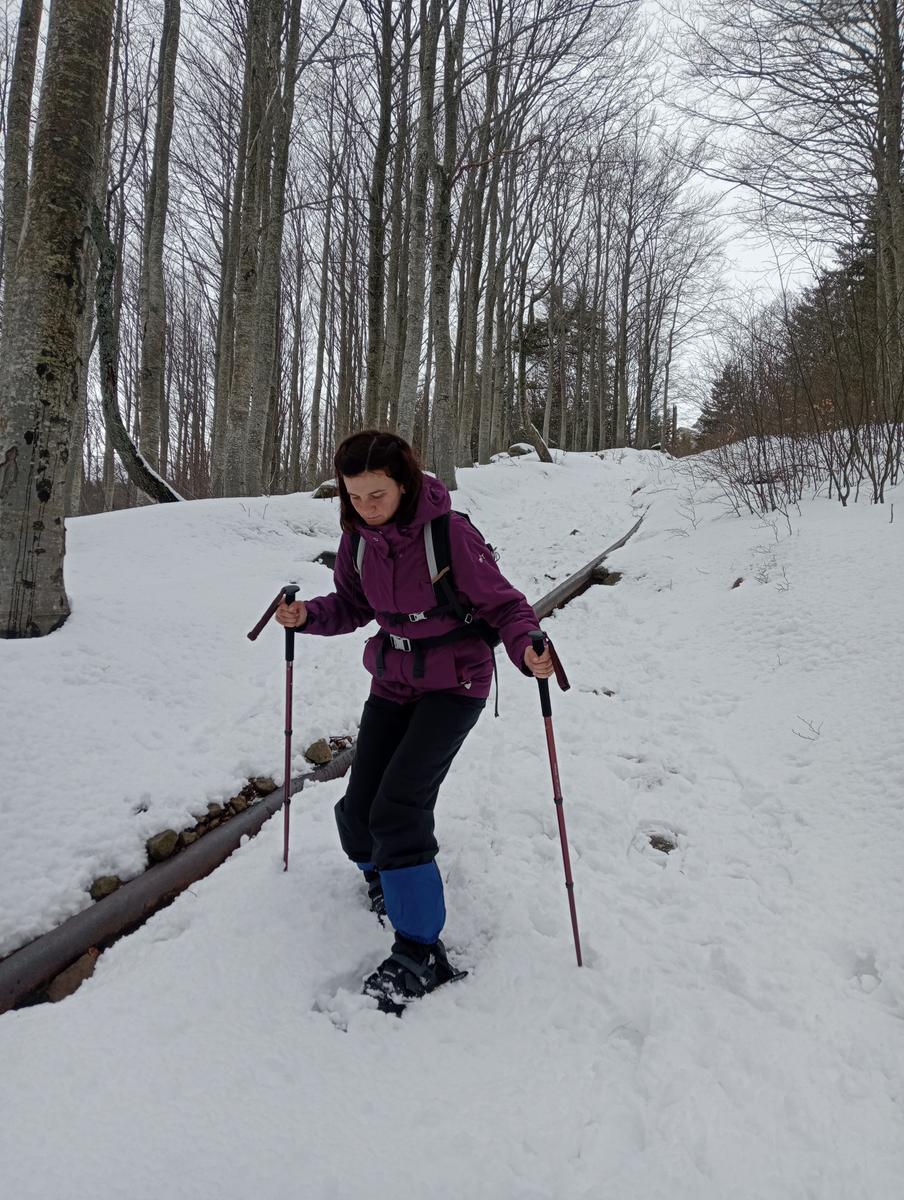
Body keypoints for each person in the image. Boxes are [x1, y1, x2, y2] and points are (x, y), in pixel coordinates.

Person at [276, 430, 554, 1010]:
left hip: (455, 682)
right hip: (394, 679)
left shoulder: (448, 533)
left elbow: (505, 605)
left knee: (398, 809)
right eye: (354, 497)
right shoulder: (357, 540)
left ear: (405, 484)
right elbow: (353, 607)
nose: (366, 507)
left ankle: (421, 953)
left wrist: (527, 644)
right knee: (359, 813)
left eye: (377, 494)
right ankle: (388, 881)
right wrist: (306, 616)